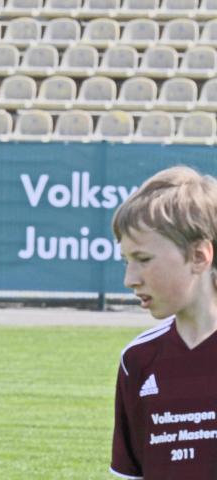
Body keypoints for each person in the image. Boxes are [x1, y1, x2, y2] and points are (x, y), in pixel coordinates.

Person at [109, 165, 217, 479]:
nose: (130, 279)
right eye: (126, 261)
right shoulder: (138, 361)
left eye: (143, 259)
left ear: (199, 256)